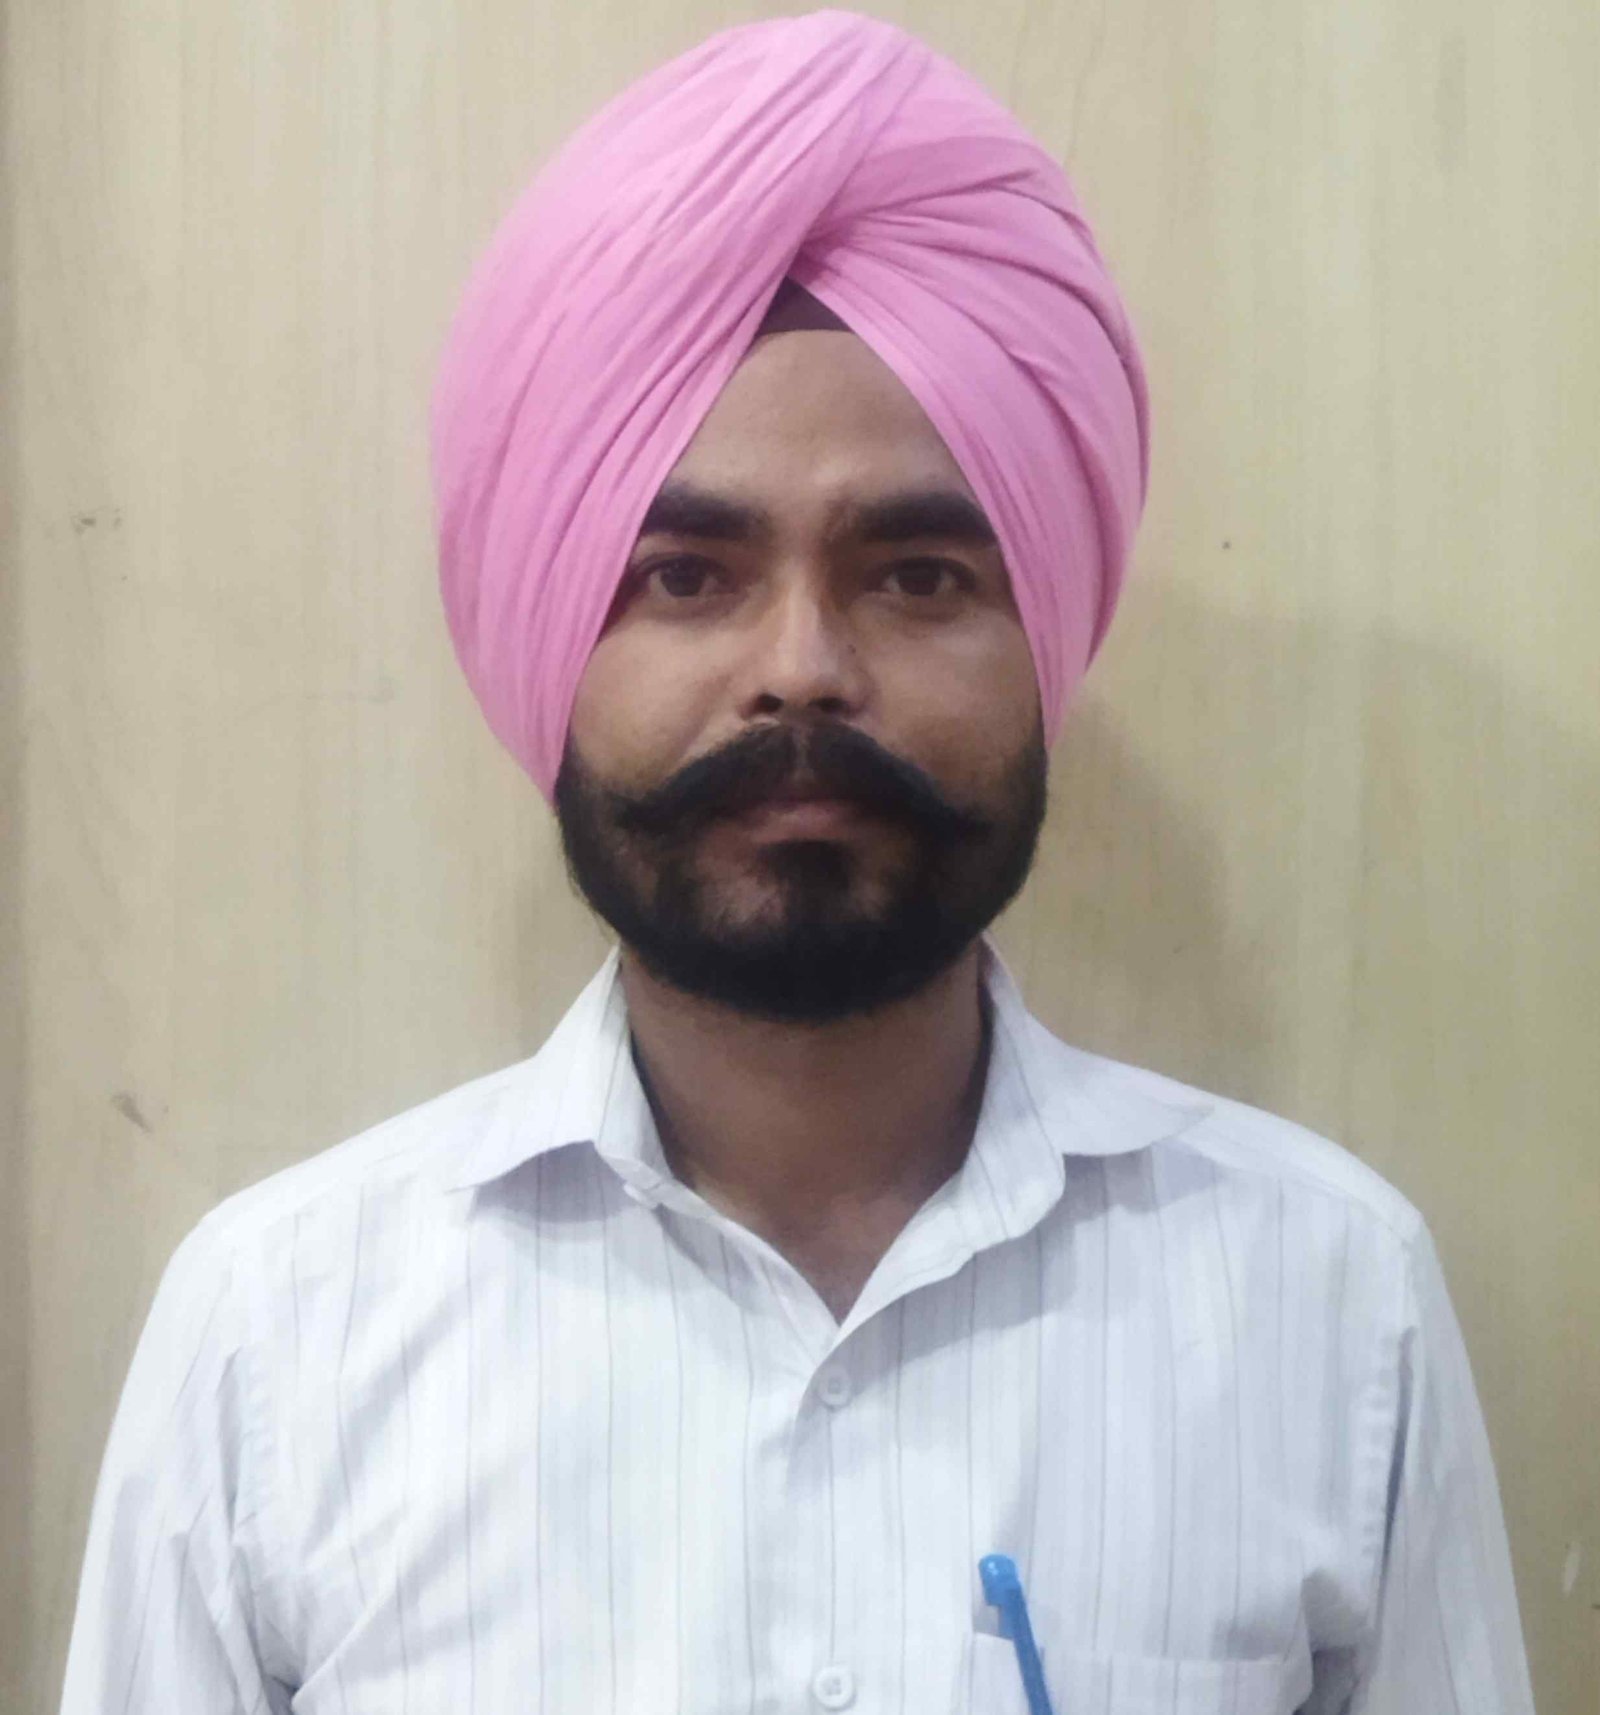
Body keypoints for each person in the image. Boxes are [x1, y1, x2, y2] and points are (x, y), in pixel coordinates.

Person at [60, 12, 1536, 1713]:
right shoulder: (278, 1333)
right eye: (686, 577)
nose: (804, 671)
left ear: (1043, 635)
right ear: (547, 637)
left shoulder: (1329, 1298)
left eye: (917, 576)